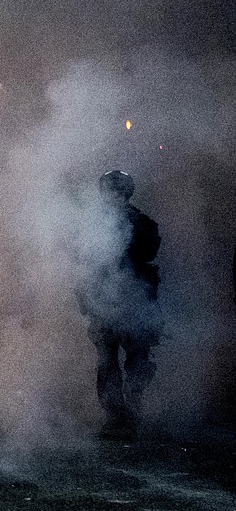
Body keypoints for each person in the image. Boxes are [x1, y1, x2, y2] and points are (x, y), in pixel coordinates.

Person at [77, 170, 162, 439]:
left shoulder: (141, 223)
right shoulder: (95, 225)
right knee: (110, 362)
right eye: (110, 190)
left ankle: (129, 413)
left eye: (117, 190)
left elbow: (148, 254)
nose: (113, 195)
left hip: (133, 302)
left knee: (130, 361)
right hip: (107, 303)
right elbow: (83, 263)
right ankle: (118, 417)